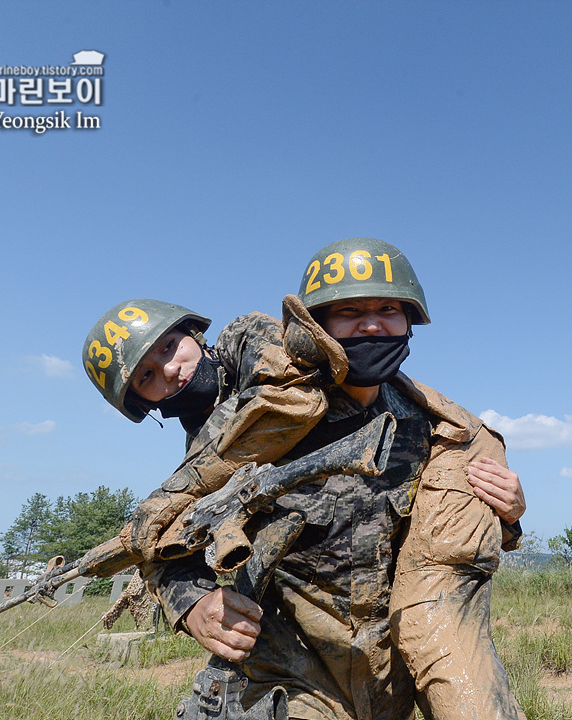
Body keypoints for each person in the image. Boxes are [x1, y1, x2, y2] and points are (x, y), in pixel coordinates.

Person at [148, 238, 526, 720]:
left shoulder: (433, 427)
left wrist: (508, 515)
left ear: (410, 320)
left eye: (388, 308)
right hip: (293, 679)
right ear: (317, 325)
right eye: (349, 311)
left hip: (396, 679)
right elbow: (164, 535)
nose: (371, 324)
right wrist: (195, 605)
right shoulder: (266, 422)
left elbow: (456, 547)